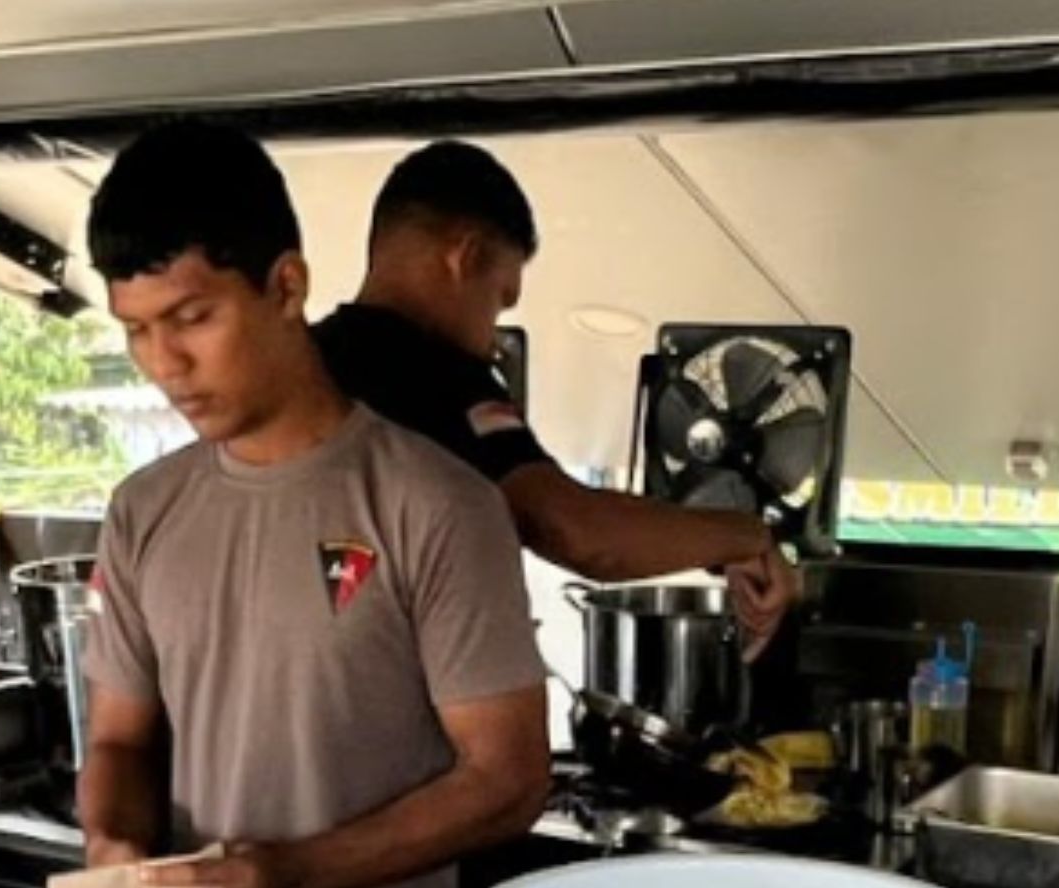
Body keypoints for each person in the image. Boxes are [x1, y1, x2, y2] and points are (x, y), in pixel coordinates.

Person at [74, 119, 550, 888]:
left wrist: (291, 872)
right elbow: (121, 740)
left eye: (192, 317)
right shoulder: (143, 511)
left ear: (286, 286)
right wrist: (110, 847)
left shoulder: (436, 503)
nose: (164, 363)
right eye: (136, 330)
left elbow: (508, 779)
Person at [313, 140, 802, 659]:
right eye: (500, 300)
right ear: (465, 257)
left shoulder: (307, 361)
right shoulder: (437, 376)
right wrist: (750, 537)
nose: (491, 339)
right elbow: (579, 532)